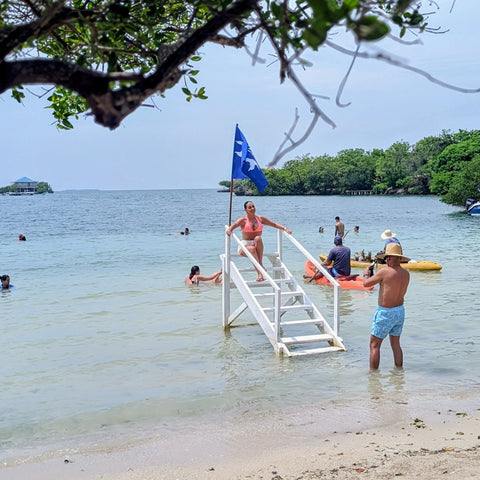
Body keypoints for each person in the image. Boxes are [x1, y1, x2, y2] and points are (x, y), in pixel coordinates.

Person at [362, 243, 410, 370]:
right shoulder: (406, 274)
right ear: (400, 258)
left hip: (385, 312)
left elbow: (366, 284)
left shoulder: (384, 272)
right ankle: (399, 372)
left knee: (374, 345)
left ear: (389, 258)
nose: (387, 259)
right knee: (395, 344)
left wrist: (366, 274)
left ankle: (373, 377)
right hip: (400, 311)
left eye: (388, 257)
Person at [226, 201, 291, 282]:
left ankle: (260, 265)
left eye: (253, 206)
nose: (252, 208)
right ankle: (260, 272)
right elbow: (232, 227)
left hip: (257, 245)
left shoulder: (260, 219)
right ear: (245, 210)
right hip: (244, 247)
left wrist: (285, 228)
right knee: (251, 249)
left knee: (258, 238)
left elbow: (273, 224)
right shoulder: (243, 220)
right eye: (249, 207)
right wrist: (229, 230)